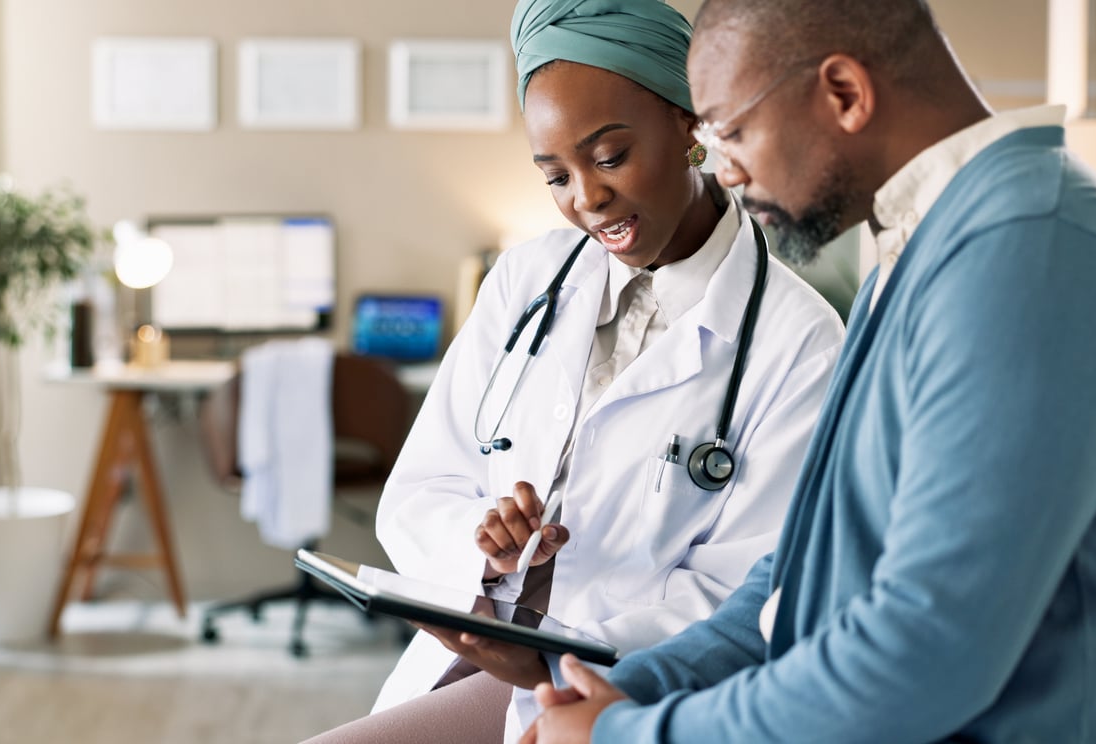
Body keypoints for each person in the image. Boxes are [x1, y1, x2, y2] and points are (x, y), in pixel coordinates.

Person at [523, 0, 1096, 742]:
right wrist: (631, 688)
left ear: (844, 94)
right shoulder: (922, 250)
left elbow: (923, 654)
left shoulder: (1031, 254)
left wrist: (631, 736)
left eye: (730, 131)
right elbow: (801, 574)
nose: (725, 170)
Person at [303, 1, 844, 741]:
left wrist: (556, 656)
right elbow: (424, 486)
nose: (585, 198)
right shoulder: (523, 282)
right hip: (470, 651)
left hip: (626, 688)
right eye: (554, 174)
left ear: (689, 124)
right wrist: (489, 559)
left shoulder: (798, 341)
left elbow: (749, 591)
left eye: (610, 156)